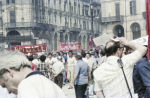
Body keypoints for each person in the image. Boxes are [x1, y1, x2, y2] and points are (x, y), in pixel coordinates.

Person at [0, 50, 66, 98]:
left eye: (4, 85)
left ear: (9, 72)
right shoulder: (53, 85)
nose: (8, 91)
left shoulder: (25, 86)